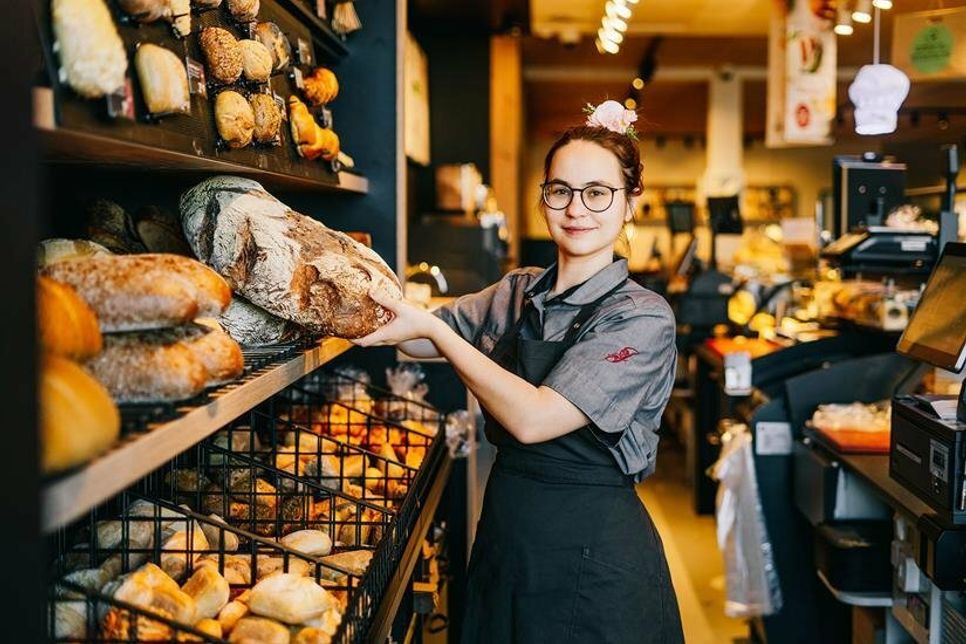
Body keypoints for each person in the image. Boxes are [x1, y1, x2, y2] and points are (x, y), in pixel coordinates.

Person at [355, 100, 684, 643]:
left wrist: (438, 332)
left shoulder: (641, 317)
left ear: (630, 204)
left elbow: (534, 419)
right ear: (543, 197)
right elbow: (413, 337)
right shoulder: (517, 291)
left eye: (597, 193)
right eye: (560, 191)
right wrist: (349, 302)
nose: (576, 209)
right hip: (507, 536)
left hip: (594, 557)